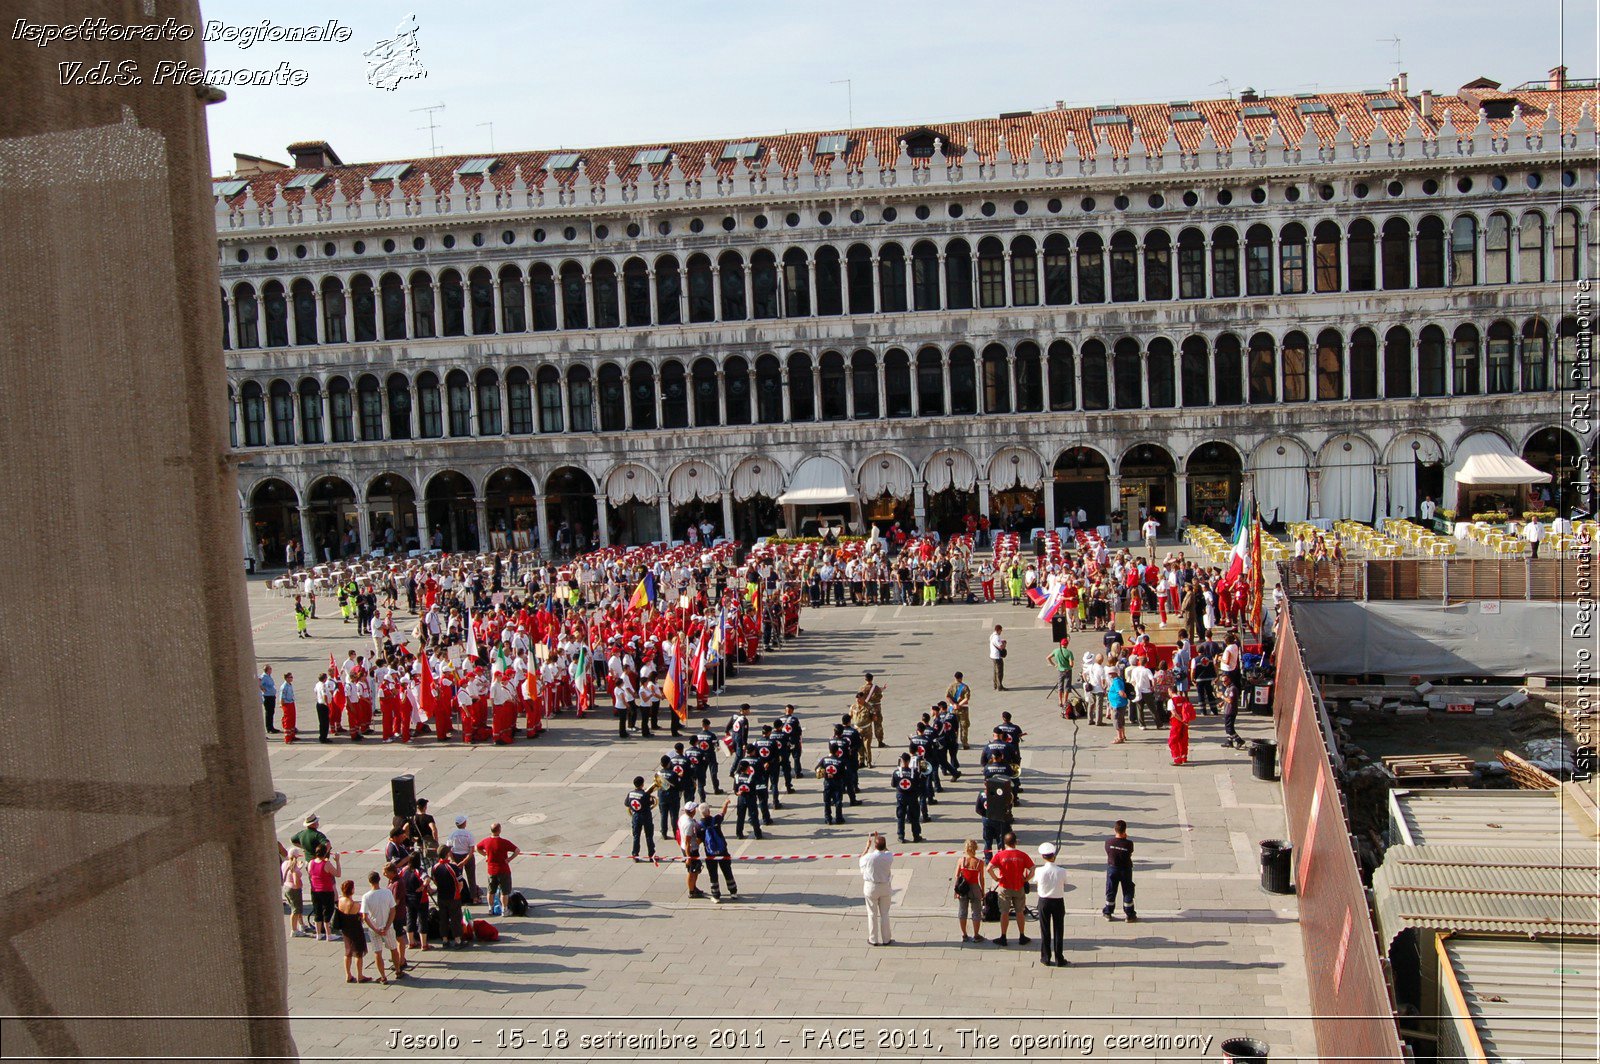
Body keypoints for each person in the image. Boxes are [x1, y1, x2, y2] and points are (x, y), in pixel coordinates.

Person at [987, 832, 1034, 946]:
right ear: (1015, 842)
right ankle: (1022, 936)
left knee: (1004, 913)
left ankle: (1003, 937)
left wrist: (996, 878)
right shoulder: (1022, 855)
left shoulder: (1000, 855)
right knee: (1020, 912)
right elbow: (1032, 868)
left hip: (1005, 887)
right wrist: (1026, 878)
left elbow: (989, 868)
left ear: (1005, 843)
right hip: (1018, 886)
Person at [360, 871, 402, 984]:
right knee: (393, 949)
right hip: (387, 926)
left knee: (377, 952)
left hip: (375, 928)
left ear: (369, 881)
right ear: (379, 880)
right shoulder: (387, 893)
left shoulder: (366, 896)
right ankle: (398, 971)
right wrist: (387, 926)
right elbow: (393, 910)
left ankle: (383, 976)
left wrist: (375, 929)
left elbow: (365, 916)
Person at [1035, 842, 1070, 966]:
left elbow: (1036, 882)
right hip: (1058, 901)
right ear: (1053, 856)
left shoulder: (1039, 870)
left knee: (1045, 930)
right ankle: (1059, 958)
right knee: (1058, 930)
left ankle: (1045, 957)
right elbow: (1065, 883)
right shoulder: (1062, 871)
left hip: (1044, 901)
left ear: (1043, 857)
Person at [475, 822, 520, 913]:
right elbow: (517, 850)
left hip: (491, 870)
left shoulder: (486, 841)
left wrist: (485, 855)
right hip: (503, 869)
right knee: (504, 892)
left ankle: (490, 908)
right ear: (499, 830)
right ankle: (504, 909)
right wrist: (509, 859)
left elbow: (477, 848)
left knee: (491, 891)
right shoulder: (504, 842)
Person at [698, 800, 738, 900]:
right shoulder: (716, 820)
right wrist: (725, 804)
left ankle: (716, 895)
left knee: (713, 874)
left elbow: (699, 841)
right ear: (709, 811)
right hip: (722, 851)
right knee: (727, 871)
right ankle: (733, 892)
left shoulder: (699, 826)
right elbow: (723, 812)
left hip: (710, 854)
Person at [859, 832, 894, 946]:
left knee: (872, 914)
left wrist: (867, 846)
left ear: (875, 846)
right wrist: (880, 841)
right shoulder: (889, 856)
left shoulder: (868, 857)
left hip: (871, 887)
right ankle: (886, 939)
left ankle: (873, 939)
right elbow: (887, 850)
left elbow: (861, 859)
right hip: (884, 886)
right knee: (885, 913)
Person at [430, 844, 465, 948]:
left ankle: (445, 940)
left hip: (441, 896)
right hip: (453, 897)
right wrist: (458, 892)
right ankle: (458, 940)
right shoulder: (453, 867)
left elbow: (435, 881)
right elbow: (460, 883)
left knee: (443, 918)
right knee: (455, 918)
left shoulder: (435, 867)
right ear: (447, 854)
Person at [335, 879, 369, 982]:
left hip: (346, 930)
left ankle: (348, 975)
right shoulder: (355, 905)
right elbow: (363, 916)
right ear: (352, 890)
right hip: (356, 930)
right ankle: (360, 975)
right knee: (358, 953)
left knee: (348, 952)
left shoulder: (340, 900)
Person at [1103, 819, 1137, 922]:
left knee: (1111, 890)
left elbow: (1109, 853)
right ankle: (1129, 914)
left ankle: (1108, 912)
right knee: (1127, 891)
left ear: (1115, 829)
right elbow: (1129, 853)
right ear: (1125, 830)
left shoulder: (1108, 842)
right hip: (1125, 870)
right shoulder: (1129, 844)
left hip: (1112, 869)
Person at [954, 839, 987, 943]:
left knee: (962, 911)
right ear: (976, 848)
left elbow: (957, 876)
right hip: (974, 887)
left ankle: (964, 934)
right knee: (976, 912)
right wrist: (982, 890)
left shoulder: (961, 861)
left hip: (963, 887)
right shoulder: (979, 862)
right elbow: (981, 878)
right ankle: (976, 935)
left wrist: (956, 890)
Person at [306, 844, 340, 941]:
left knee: (317, 912)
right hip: (326, 891)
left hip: (314, 891)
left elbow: (310, 874)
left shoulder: (311, 863)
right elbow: (338, 874)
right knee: (327, 913)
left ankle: (318, 934)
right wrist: (337, 861)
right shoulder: (326, 864)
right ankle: (329, 935)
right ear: (325, 853)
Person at [891, 753, 923, 843]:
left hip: (901, 797)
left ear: (901, 761)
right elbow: (918, 784)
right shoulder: (914, 772)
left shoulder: (896, 772)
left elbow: (893, 785)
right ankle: (916, 836)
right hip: (912, 796)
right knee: (915, 817)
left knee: (901, 817)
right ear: (909, 761)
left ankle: (901, 836)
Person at [447, 815, 478, 902]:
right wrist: (465, 860)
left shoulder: (452, 834)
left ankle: (459, 897)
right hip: (468, 856)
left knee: (457, 878)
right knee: (471, 877)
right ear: (464, 823)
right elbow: (472, 850)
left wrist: (452, 860)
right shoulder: (469, 834)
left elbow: (448, 848)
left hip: (456, 856)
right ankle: (474, 897)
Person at [626, 775, 657, 860]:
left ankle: (635, 854)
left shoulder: (630, 793)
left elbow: (626, 803)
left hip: (635, 816)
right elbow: (652, 802)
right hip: (646, 816)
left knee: (636, 836)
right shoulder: (645, 794)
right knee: (649, 836)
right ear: (642, 784)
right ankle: (651, 855)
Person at [680, 801, 706, 899]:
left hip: (686, 847)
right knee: (692, 871)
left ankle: (694, 887)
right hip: (691, 850)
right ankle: (692, 891)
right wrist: (688, 857)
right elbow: (688, 842)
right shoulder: (689, 824)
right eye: (694, 809)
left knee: (695, 870)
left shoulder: (683, 817)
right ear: (692, 811)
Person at [280, 849, 309, 938]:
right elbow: (296, 881)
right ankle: (294, 930)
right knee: (296, 910)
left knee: (296, 908)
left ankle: (301, 925)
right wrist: (299, 885)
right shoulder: (294, 868)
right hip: (294, 890)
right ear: (297, 856)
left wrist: (298, 868)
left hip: (286, 887)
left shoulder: (285, 863)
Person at [1167, 687, 1196, 765]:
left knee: (1173, 741)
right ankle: (1184, 757)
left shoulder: (1171, 701)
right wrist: (1185, 721)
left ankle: (1177, 758)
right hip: (1185, 722)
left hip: (1176, 723)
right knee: (1183, 740)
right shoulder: (1183, 699)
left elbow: (1174, 713)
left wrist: (1181, 720)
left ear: (1170, 691)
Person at [1046, 639, 1075, 713]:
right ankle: (1065, 701)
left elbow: (1048, 658)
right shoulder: (1069, 652)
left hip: (1060, 670)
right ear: (1067, 644)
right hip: (1067, 671)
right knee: (1067, 687)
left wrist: (1054, 665)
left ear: (1061, 644)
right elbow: (1071, 664)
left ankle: (1060, 701)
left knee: (1060, 686)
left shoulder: (1056, 651)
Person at [945, 671, 972, 749]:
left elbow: (947, 697)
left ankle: (954, 742)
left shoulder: (951, 686)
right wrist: (959, 705)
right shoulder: (965, 687)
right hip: (963, 709)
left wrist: (954, 704)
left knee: (954, 727)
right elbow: (967, 698)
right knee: (964, 726)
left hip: (953, 709)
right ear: (961, 678)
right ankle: (965, 743)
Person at [259, 664, 279, 734]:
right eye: (270, 668)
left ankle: (272, 727)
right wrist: (263, 689)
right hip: (267, 697)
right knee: (269, 712)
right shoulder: (264, 677)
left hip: (271, 696)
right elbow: (258, 683)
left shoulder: (268, 676)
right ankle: (269, 728)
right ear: (267, 670)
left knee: (272, 712)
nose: (271, 670)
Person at [279, 672, 298, 743]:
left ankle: (292, 735)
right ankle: (287, 738)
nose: (292, 678)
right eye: (290, 677)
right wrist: (282, 705)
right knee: (288, 720)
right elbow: (282, 697)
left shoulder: (289, 685)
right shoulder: (284, 686)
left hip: (291, 702)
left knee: (293, 719)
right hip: (287, 704)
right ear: (287, 678)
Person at [989, 625, 1008, 691]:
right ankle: (1000, 686)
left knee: (995, 671)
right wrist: (1004, 644)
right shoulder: (996, 637)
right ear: (999, 630)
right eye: (1001, 630)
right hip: (997, 656)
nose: (1001, 631)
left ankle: (995, 685)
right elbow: (1001, 647)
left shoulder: (992, 635)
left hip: (993, 655)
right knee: (999, 671)